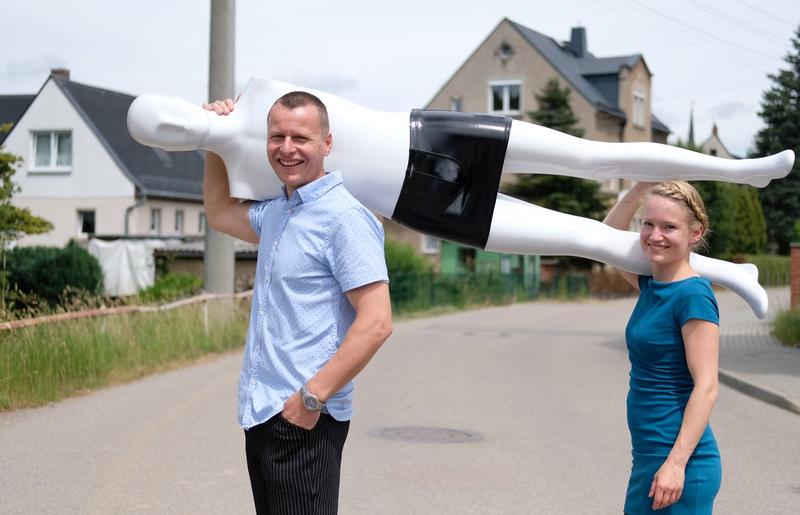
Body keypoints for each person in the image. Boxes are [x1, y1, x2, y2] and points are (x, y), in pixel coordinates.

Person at [127, 77, 796, 318]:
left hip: (435, 133)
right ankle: (732, 273)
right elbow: (220, 213)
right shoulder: (245, 172)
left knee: (600, 154)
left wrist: (228, 113)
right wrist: (214, 148)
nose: (172, 124)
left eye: (166, 112)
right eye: (162, 132)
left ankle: (745, 170)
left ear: (176, 101)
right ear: (166, 144)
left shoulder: (265, 91)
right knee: (583, 237)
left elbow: (286, 123)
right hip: (425, 207)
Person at [202, 92, 393, 514]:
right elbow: (218, 211)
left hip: (305, 418)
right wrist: (216, 138)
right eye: (277, 136)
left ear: (327, 144)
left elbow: (377, 322)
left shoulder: (344, 217)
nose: (287, 148)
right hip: (264, 414)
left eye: (300, 138)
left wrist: (311, 398)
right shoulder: (278, 213)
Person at [603, 181, 721, 514]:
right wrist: (643, 183)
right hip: (648, 459)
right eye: (649, 224)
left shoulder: (693, 295)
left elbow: (707, 387)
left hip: (679, 465)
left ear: (695, 233)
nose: (655, 235)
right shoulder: (651, 286)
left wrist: (676, 465)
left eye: (669, 226)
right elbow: (606, 237)